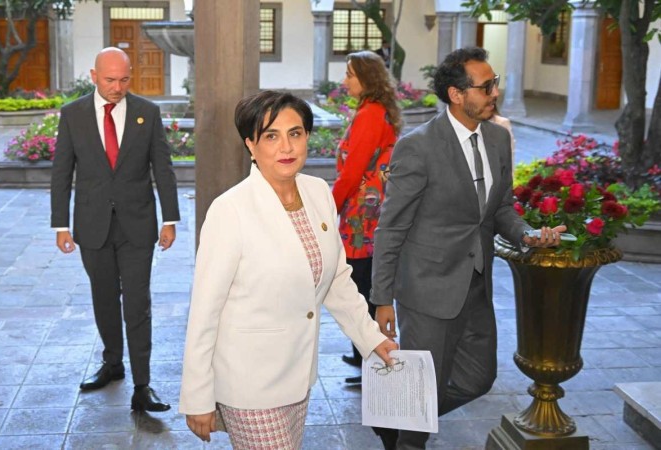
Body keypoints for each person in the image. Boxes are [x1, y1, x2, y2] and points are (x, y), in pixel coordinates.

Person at [370, 47, 566, 449]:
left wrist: (527, 233)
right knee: (426, 384)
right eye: (486, 85)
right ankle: (408, 436)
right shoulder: (419, 146)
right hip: (426, 288)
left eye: (495, 83)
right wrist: (382, 298)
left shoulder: (496, 138)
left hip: (476, 286)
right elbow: (391, 226)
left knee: (479, 378)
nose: (494, 92)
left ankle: (398, 421)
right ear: (457, 95)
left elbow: (502, 209)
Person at [179, 90, 398, 448]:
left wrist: (371, 338)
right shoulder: (230, 210)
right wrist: (198, 395)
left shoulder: (317, 192)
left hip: (297, 377)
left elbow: (337, 281)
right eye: (271, 136)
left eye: (295, 133)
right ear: (250, 144)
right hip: (249, 384)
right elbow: (205, 311)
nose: (287, 147)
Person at [51, 47, 180, 412]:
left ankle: (143, 385)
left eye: (124, 79)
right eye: (109, 80)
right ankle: (112, 364)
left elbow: (163, 169)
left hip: (138, 226)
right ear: (94, 75)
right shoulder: (73, 114)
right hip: (92, 226)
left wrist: (170, 220)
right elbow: (62, 173)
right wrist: (61, 225)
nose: (117, 87)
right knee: (104, 299)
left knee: (137, 303)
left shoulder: (147, 113)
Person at [334, 50, 400, 372]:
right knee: (364, 283)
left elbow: (351, 172)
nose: (345, 81)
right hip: (368, 212)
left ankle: (371, 361)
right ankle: (365, 355)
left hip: (363, 216)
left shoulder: (371, 114)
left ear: (366, 78)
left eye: (350, 75)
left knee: (361, 287)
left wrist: (327, 207)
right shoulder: (374, 110)